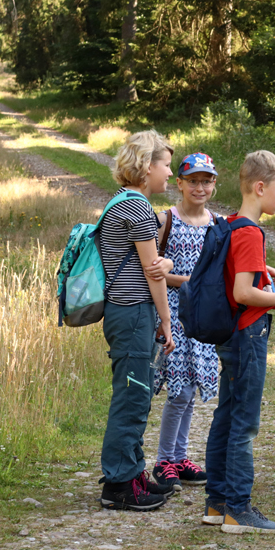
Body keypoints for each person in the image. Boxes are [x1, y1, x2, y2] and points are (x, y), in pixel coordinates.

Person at [203, 150, 275, 534]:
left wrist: (262, 269)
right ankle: (238, 509)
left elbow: (236, 273)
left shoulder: (229, 224)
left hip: (229, 335)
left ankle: (216, 502)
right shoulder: (250, 231)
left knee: (226, 416)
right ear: (260, 188)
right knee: (245, 424)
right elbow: (243, 292)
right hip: (248, 334)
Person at [98, 130, 179, 511]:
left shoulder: (124, 202)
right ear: (147, 166)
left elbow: (152, 266)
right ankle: (118, 486)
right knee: (132, 397)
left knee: (137, 393)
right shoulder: (136, 207)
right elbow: (153, 273)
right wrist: (166, 321)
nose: (169, 173)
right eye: (165, 165)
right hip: (133, 314)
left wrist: (164, 264)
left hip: (128, 312)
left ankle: (133, 474)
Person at [150, 153, 221, 492]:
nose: (200, 187)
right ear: (179, 183)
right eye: (192, 180)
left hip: (202, 317)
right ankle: (164, 459)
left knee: (191, 389)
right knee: (178, 389)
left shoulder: (217, 223)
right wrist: (187, 280)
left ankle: (179, 456)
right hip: (173, 313)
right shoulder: (166, 220)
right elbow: (154, 270)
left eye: (206, 181)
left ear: (214, 185)